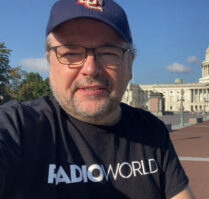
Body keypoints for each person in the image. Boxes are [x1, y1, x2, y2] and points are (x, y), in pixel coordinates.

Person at [0, 0, 194, 198]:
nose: (90, 69)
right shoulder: (19, 128)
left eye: (109, 52)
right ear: (49, 63)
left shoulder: (153, 131)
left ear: (130, 65)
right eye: (71, 53)